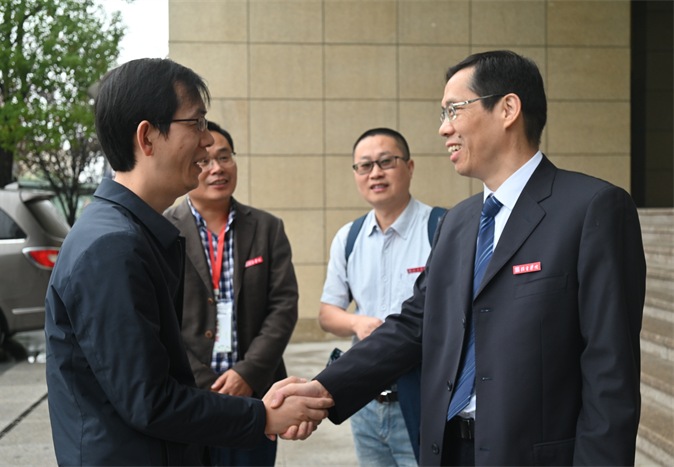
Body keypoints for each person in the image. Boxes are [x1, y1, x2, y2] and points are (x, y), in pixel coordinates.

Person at [273, 50, 646, 466]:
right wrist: (325, 389)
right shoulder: (459, 221)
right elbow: (416, 323)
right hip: (448, 450)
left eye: (454, 109)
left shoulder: (592, 208)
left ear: (508, 109)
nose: (443, 128)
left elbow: (610, 371)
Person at [45, 58, 331, 467]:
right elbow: (150, 401)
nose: (206, 140)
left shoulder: (133, 232)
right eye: (196, 123)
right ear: (147, 137)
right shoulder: (111, 247)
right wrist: (264, 416)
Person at [164, 121, 298, 467]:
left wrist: (247, 373)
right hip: (191, 399)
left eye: (224, 157)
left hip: (256, 397)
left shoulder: (267, 228)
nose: (217, 168)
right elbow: (161, 317)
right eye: (204, 160)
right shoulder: (163, 230)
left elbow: (283, 307)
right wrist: (203, 382)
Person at [319, 128, 438, 466]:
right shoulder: (349, 237)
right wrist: (356, 323)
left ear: (409, 167)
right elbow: (328, 313)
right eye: (365, 165)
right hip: (365, 402)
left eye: (386, 162)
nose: (375, 173)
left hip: (422, 397)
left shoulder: (441, 228)